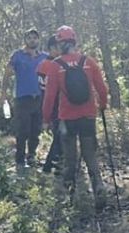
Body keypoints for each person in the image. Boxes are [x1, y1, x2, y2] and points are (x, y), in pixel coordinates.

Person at [40, 25, 109, 208]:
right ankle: (98, 187)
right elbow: (102, 89)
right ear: (74, 41)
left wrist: (46, 119)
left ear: (60, 43)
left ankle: (69, 197)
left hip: (67, 118)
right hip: (88, 116)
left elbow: (49, 97)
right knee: (90, 155)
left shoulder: (55, 67)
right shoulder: (89, 62)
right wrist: (102, 105)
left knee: (69, 158)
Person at [2, 28, 47, 170]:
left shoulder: (44, 57)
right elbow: (7, 74)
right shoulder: (18, 56)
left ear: (39, 40)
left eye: (35, 38)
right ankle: (20, 160)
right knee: (23, 130)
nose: (32, 40)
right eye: (29, 38)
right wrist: (3, 93)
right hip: (22, 98)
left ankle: (32, 155)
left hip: (39, 97)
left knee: (36, 129)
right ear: (25, 40)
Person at [37, 34, 65, 174]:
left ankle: (57, 163)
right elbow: (44, 89)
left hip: (58, 105)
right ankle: (50, 165)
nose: (60, 50)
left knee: (60, 135)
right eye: (57, 47)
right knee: (60, 135)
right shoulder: (46, 65)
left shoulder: (57, 63)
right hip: (54, 105)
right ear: (51, 48)